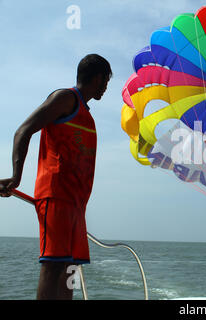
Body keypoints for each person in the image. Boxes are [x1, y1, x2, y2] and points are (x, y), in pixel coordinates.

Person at [0, 54, 112, 299]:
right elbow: (23, 130)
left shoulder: (87, 115)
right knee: (52, 266)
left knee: (70, 267)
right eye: (106, 80)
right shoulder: (65, 98)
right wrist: (16, 176)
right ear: (98, 77)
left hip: (77, 205)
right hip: (56, 196)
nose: (106, 87)